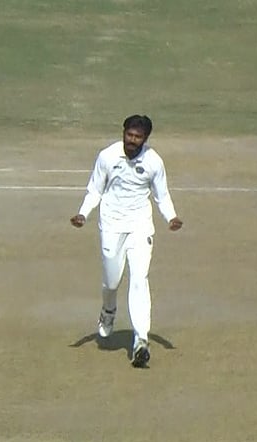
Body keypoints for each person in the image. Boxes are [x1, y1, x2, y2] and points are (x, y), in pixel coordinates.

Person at [71, 114, 183, 368]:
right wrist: (83, 214)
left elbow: (162, 195)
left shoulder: (154, 162)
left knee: (139, 278)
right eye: (129, 135)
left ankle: (141, 340)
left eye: (137, 137)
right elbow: (95, 190)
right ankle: (108, 310)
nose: (132, 141)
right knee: (111, 281)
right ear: (123, 133)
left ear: (145, 139)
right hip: (111, 224)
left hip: (140, 226)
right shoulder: (107, 156)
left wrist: (171, 217)